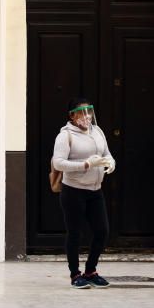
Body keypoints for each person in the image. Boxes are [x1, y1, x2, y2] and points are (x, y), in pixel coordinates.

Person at [52, 97, 116, 289]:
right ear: (72, 115)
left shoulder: (97, 131)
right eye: (81, 112)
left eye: (89, 111)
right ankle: (75, 274)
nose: (86, 116)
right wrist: (87, 164)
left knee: (102, 231)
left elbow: (106, 153)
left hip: (95, 190)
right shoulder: (65, 136)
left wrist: (111, 161)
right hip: (74, 191)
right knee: (75, 233)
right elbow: (58, 163)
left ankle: (90, 270)